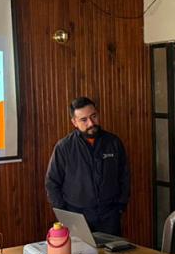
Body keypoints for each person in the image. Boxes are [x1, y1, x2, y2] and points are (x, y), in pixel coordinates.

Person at [45, 96, 130, 235]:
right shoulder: (64, 147)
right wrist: (64, 214)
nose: (91, 123)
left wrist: (120, 206)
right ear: (74, 122)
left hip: (109, 216)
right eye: (84, 120)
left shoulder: (113, 142)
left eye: (94, 116)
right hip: (77, 216)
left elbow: (124, 176)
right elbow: (52, 183)